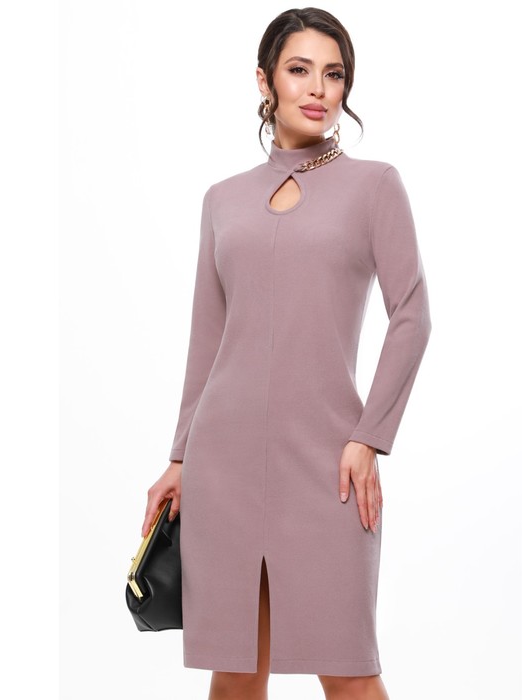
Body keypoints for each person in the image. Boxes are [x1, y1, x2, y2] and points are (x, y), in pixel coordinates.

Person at [142, 7, 432, 699]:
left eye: (334, 74)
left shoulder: (375, 185)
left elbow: (413, 315)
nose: (318, 88)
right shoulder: (222, 200)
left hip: (330, 464)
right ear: (264, 80)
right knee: (236, 674)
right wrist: (180, 458)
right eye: (299, 69)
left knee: (351, 674)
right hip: (223, 463)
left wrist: (369, 437)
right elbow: (207, 338)